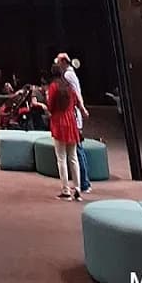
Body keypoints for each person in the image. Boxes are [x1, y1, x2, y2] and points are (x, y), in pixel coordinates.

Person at [47, 62, 88, 201]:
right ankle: (77, 189)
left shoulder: (53, 87)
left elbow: (51, 106)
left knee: (61, 159)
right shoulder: (69, 87)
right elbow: (77, 102)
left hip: (59, 123)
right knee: (73, 157)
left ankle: (66, 190)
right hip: (71, 123)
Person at [56, 52, 91, 192]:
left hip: (72, 116)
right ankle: (82, 183)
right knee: (75, 151)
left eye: (58, 61)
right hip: (74, 115)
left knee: (77, 151)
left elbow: (76, 94)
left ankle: (84, 183)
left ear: (64, 61)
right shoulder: (71, 74)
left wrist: (82, 109)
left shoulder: (68, 76)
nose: (57, 64)